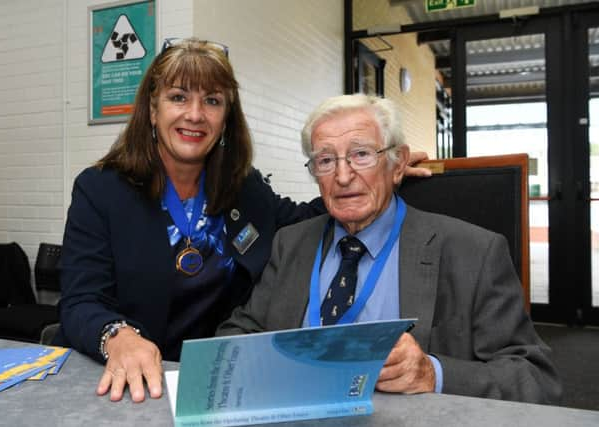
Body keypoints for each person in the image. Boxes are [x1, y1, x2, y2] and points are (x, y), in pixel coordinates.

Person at [53, 37, 433, 403]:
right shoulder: (101, 190)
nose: (195, 114)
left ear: (226, 118)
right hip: (127, 383)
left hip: (217, 384)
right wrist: (117, 336)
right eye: (178, 97)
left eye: (212, 101)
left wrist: (381, 169)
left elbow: (306, 217)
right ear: (153, 110)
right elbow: (80, 301)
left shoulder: (242, 186)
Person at [217, 93, 562, 404]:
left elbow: (536, 378)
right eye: (325, 161)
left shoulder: (473, 251)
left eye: (361, 155)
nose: (342, 175)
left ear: (397, 165)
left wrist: (434, 373)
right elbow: (239, 333)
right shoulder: (291, 243)